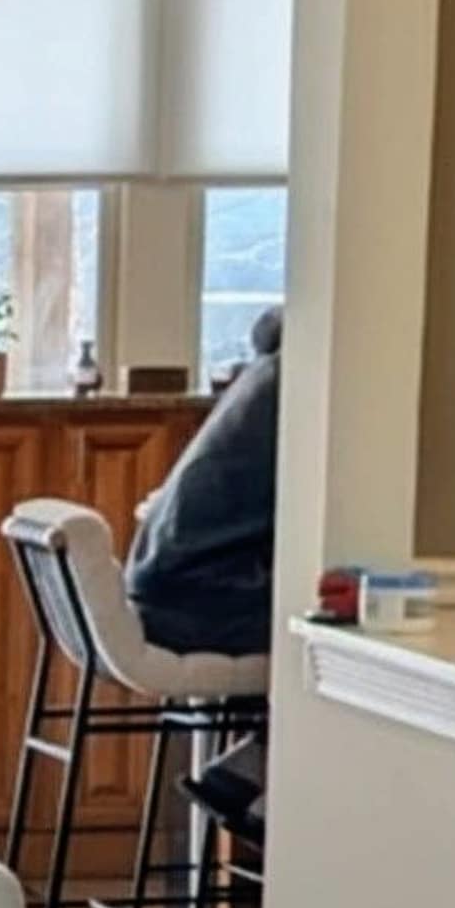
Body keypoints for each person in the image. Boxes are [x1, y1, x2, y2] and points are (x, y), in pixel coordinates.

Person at [126, 306, 282, 841]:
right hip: (201, 600)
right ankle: (264, 777)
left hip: (168, 587)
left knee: (320, 630)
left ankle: (249, 769)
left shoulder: (261, 380)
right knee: (327, 640)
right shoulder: (304, 391)